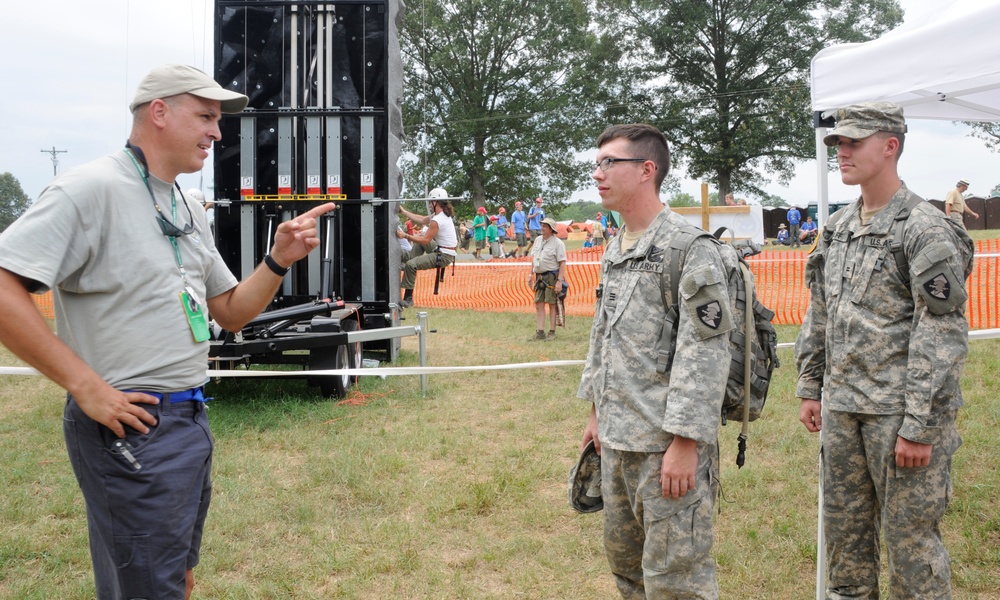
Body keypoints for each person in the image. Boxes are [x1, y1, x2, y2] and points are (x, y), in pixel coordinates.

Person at [0, 64, 335, 600]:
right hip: (130, 428)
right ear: (159, 113)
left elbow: (229, 312)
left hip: (189, 420)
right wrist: (86, 387)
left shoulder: (185, 205)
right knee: (150, 588)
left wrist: (278, 260)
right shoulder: (88, 189)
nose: (217, 132)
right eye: (205, 116)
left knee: (174, 578)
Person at [796, 102, 973, 599]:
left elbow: (940, 335)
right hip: (845, 410)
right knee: (845, 551)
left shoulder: (923, 227)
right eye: (838, 144)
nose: (842, 152)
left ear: (890, 145)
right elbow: (822, 311)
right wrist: (812, 385)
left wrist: (920, 425)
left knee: (912, 553)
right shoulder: (838, 226)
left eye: (853, 142)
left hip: (898, 415)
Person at [578, 123, 732, 599]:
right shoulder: (615, 246)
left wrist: (686, 442)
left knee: (676, 581)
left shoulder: (691, 249)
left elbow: (705, 352)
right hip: (617, 440)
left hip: (665, 448)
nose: (598, 174)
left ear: (647, 170)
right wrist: (595, 412)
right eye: (596, 163)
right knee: (628, 571)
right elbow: (603, 335)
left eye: (609, 163)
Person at [396, 188, 458, 308]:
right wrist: (404, 212)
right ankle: (408, 257)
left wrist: (406, 235)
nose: (429, 205)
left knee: (411, 265)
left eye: (431, 202)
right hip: (442, 249)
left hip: (444, 255)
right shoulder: (440, 215)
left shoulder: (438, 220)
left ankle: (408, 298)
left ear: (436, 203)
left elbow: (426, 240)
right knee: (416, 249)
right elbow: (423, 219)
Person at [527, 217, 567, 341]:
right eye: (542, 225)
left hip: (551, 277)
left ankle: (552, 332)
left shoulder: (558, 243)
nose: (542, 228)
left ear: (551, 229)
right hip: (539, 277)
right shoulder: (538, 240)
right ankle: (540, 332)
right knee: (538, 303)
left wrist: (559, 281)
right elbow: (534, 259)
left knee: (552, 304)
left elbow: (562, 263)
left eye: (544, 226)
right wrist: (530, 274)